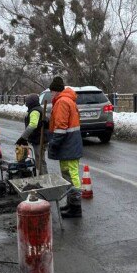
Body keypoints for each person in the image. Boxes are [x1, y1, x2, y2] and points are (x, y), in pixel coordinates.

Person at [47, 76, 83, 218]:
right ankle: (71, 204)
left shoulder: (62, 102)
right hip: (69, 144)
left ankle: (75, 207)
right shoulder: (68, 101)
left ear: (56, 91)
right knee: (67, 174)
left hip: (68, 144)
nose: (51, 95)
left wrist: (54, 144)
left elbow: (61, 127)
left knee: (72, 175)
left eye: (51, 92)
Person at [16, 93, 47, 175]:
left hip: (39, 138)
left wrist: (23, 137)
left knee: (40, 159)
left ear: (30, 102)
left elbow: (32, 125)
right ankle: (41, 176)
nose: (26, 103)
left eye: (27, 102)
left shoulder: (35, 111)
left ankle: (44, 178)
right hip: (38, 137)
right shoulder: (36, 109)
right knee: (39, 158)